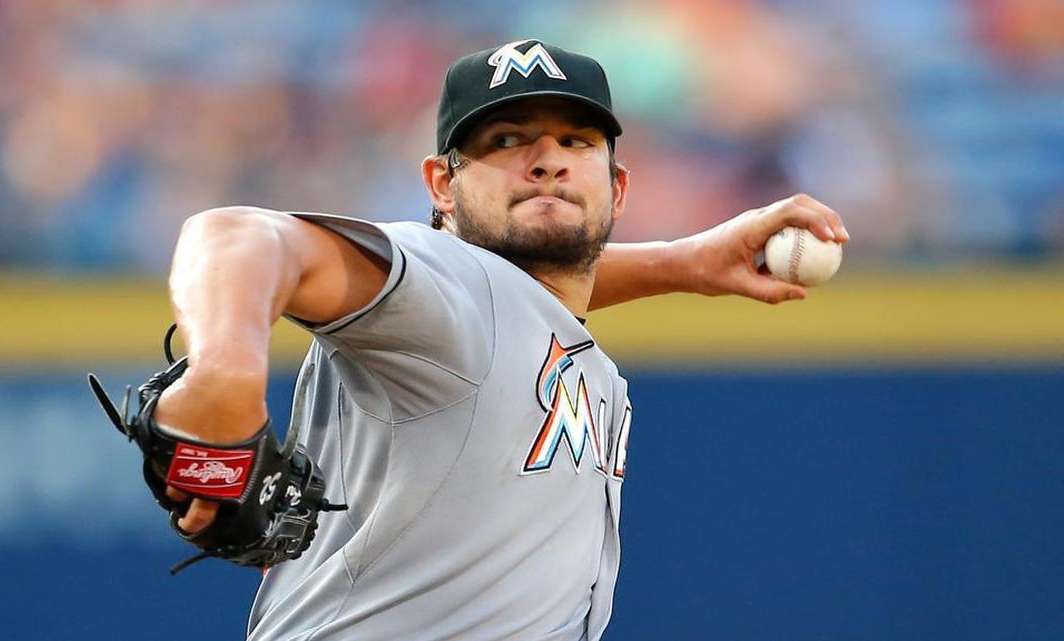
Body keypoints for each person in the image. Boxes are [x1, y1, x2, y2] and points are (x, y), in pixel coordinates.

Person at [153, 40, 848, 641]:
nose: (547, 160)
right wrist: (224, 372)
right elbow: (235, 235)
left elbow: (531, 299)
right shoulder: (442, 280)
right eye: (506, 140)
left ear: (619, 185)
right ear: (441, 187)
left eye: (576, 140)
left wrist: (683, 262)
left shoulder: (539, 328)